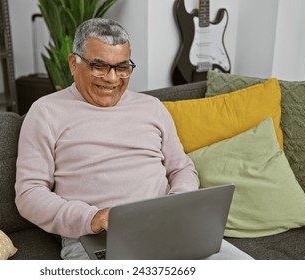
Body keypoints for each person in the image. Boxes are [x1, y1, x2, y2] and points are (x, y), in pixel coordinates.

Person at [14, 18, 199, 260]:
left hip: (165, 226)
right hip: (96, 237)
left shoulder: (151, 107)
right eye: (99, 66)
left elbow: (181, 167)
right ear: (73, 63)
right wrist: (92, 218)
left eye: (122, 67)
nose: (112, 79)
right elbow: (29, 193)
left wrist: (178, 203)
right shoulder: (45, 112)